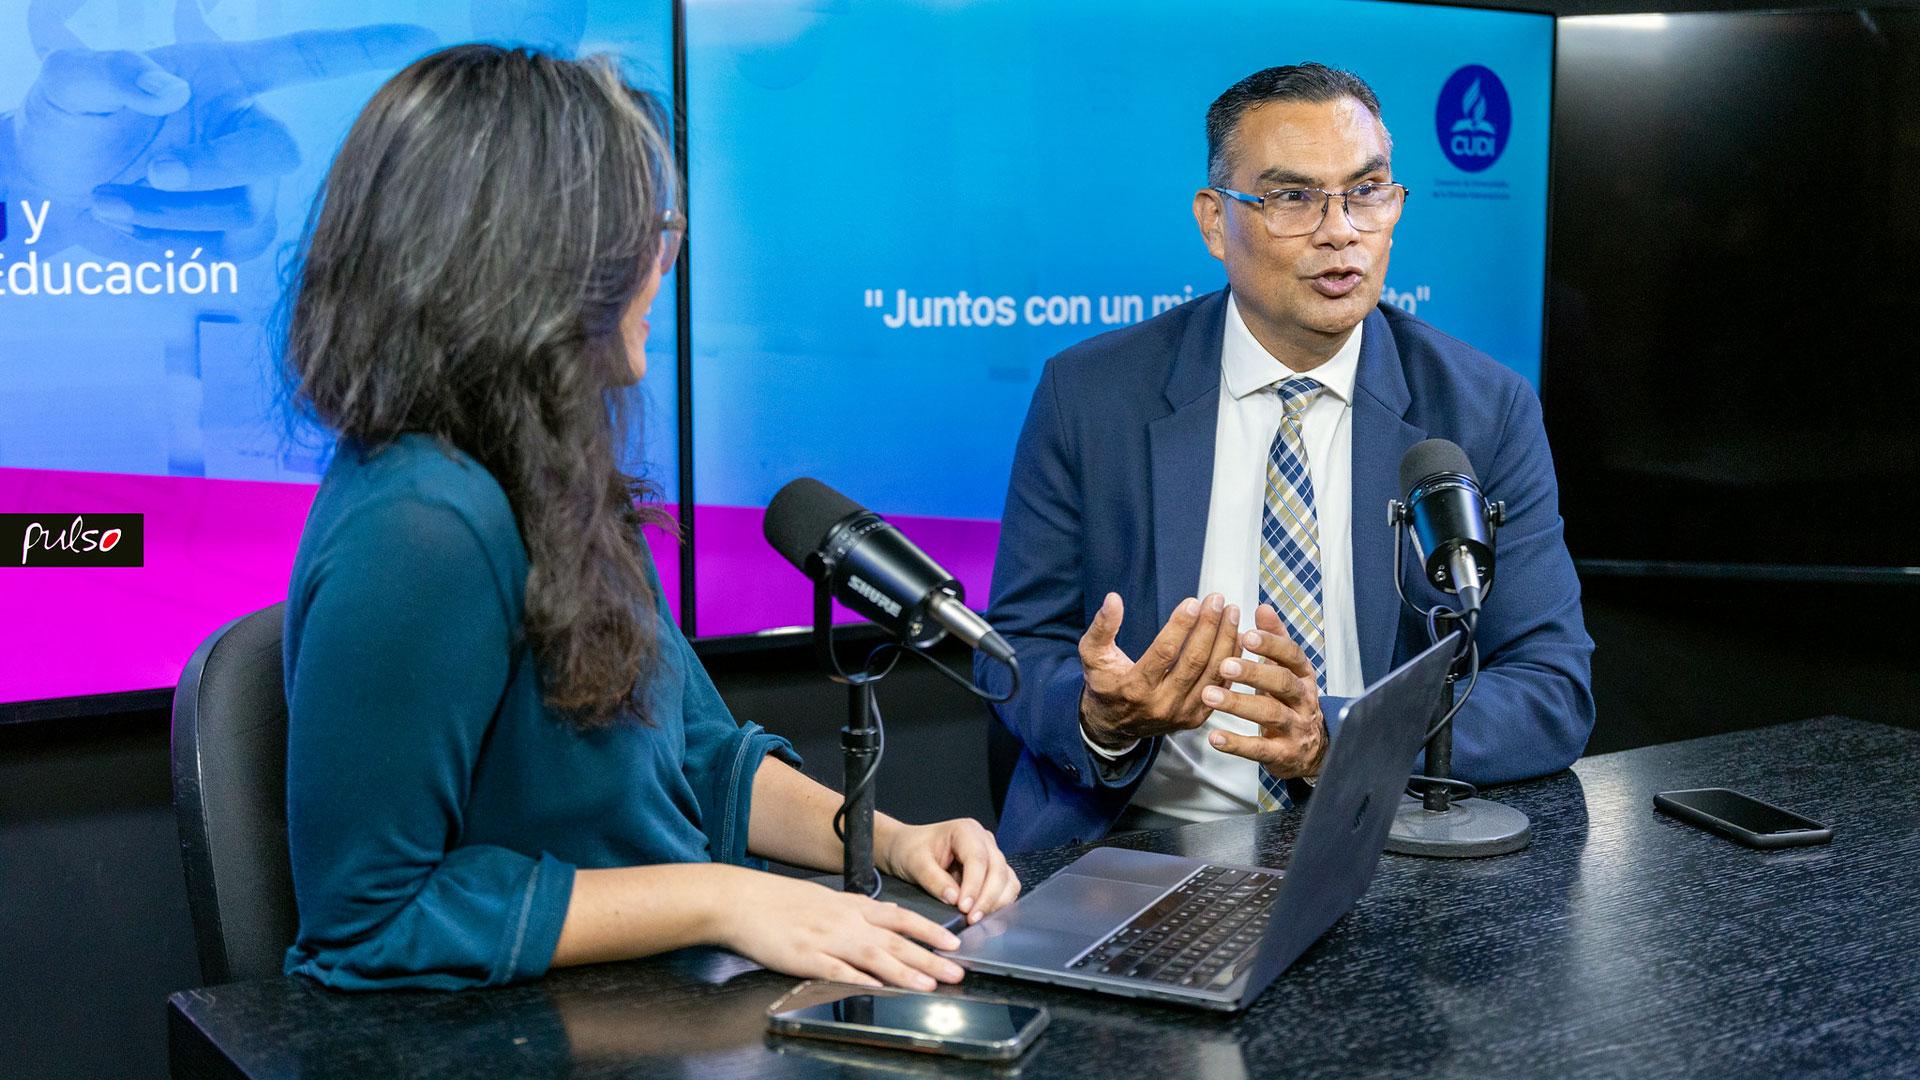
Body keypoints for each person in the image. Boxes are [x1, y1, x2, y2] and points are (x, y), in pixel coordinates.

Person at [280, 45, 1017, 992]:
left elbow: (699, 759)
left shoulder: (553, 472)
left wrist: (891, 840)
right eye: (653, 232)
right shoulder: (423, 523)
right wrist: (721, 899)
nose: (664, 266)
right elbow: (368, 915)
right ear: (536, 258)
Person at [979, 64, 1594, 854]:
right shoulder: (1090, 396)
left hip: (1380, 841)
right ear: (1214, 222)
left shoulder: (1482, 408)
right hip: (1131, 843)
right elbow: (1018, 648)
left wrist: (1338, 737)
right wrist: (1100, 713)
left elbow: (1551, 689)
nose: (1341, 231)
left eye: (1367, 191)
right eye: (1293, 198)